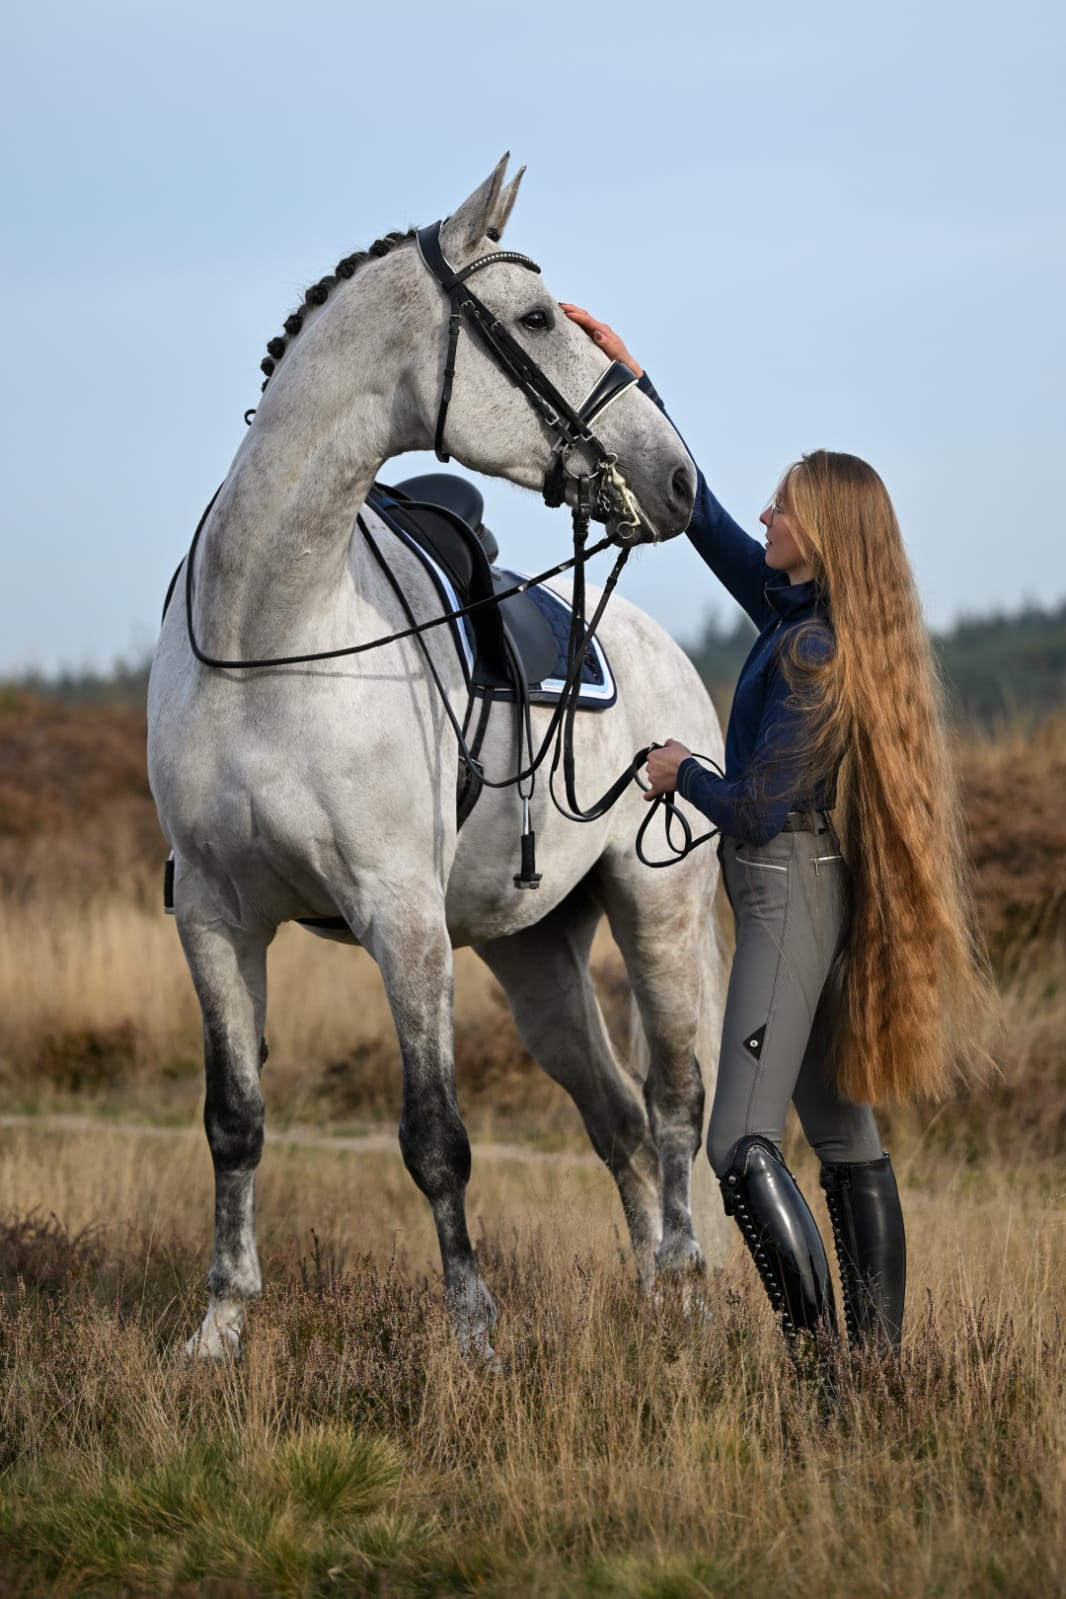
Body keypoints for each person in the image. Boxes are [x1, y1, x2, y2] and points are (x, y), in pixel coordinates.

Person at [562, 303, 994, 1360]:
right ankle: (875, 1365)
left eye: (785, 508)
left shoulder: (808, 655)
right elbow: (702, 517)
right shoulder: (797, 618)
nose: (765, 514)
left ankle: (822, 1376)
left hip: (784, 888)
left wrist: (679, 771)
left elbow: (756, 805)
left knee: (737, 1143)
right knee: (843, 1136)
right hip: (797, 889)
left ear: (823, 535)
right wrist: (637, 387)